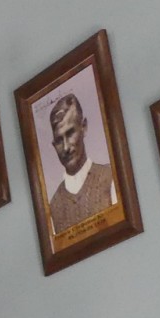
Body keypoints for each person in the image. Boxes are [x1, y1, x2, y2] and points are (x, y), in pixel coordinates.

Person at [46, 93, 115, 233]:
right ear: (53, 145)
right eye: (59, 140)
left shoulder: (111, 178)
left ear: (84, 127)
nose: (66, 147)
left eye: (70, 133)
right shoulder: (52, 209)